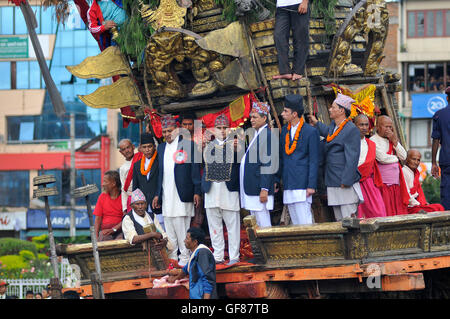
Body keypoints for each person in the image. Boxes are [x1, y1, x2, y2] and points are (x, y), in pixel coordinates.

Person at [152, 115, 202, 267]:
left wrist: (196, 191)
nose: (167, 134)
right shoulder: (161, 148)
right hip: (166, 195)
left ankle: (185, 259)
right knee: (170, 228)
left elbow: (195, 170)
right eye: (164, 131)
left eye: (169, 131)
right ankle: (173, 259)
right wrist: (157, 194)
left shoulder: (188, 145)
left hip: (183, 193)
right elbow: (160, 173)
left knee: (182, 229)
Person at [308, 93, 363, 221]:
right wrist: (316, 123)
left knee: (349, 220)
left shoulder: (351, 129)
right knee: (339, 221)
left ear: (342, 110)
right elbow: (329, 133)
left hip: (344, 181)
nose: (330, 109)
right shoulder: (333, 126)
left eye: (333, 107)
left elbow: (352, 157)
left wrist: (347, 180)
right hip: (332, 178)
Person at [202, 114, 241, 265]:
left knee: (232, 226)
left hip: (228, 190)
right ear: (213, 130)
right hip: (211, 191)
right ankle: (218, 256)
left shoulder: (236, 145)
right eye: (219, 128)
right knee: (214, 226)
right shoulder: (207, 146)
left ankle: (234, 256)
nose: (222, 131)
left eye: (225, 128)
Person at [279, 94, 319, 225]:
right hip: (289, 182)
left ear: (294, 114)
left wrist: (311, 185)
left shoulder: (310, 131)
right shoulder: (285, 130)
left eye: (286, 111)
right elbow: (282, 157)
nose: (282, 113)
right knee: (295, 224)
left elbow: (314, 160)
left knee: (305, 222)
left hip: (303, 184)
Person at [240, 102, 276, 227]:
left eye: (255, 117)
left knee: (263, 223)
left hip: (259, 189)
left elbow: (268, 164)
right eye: (251, 117)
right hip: (252, 188)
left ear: (264, 118)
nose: (251, 120)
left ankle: (268, 247)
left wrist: (264, 189)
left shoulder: (267, 135)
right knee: (256, 224)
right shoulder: (257, 134)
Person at [370, 115, 409, 216]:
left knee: (397, 211)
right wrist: (396, 159)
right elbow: (382, 158)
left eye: (390, 127)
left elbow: (404, 156)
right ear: (377, 127)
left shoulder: (391, 139)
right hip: (383, 185)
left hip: (396, 184)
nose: (389, 129)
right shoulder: (373, 140)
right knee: (387, 211)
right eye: (386, 126)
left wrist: (395, 142)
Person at [167, 227, 217, 299]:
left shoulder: (202, 253)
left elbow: (207, 278)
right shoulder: (196, 253)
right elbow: (185, 269)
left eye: (187, 238)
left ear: (195, 242)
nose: (184, 241)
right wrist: (175, 279)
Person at [354, 114, 387, 218]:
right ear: (354, 125)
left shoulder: (371, 144)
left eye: (366, 125)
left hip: (369, 182)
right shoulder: (348, 143)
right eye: (361, 125)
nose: (364, 128)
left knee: (378, 212)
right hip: (354, 182)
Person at [122, 189, 174, 254]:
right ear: (132, 206)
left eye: (142, 204)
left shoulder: (151, 216)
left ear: (146, 204)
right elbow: (133, 239)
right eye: (137, 204)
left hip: (154, 252)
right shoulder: (128, 218)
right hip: (136, 253)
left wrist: (165, 241)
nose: (140, 207)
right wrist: (152, 234)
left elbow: (162, 233)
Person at [131, 133, 163, 229]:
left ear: (154, 146)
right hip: (143, 207)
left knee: (162, 229)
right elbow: (135, 188)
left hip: (158, 204)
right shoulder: (137, 165)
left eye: (149, 146)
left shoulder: (160, 161)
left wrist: (159, 196)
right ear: (140, 148)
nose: (147, 149)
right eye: (144, 147)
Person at [273, 0, 310, 81]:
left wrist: (305, 2)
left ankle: (298, 71)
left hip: (299, 3)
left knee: (300, 37)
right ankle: (285, 71)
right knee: (278, 35)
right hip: (281, 6)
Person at [403, 149, 445, 214]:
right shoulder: (404, 172)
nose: (416, 162)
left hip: (417, 204)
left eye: (418, 160)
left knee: (439, 206)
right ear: (407, 159)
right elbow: (406, 195)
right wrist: (418, 204)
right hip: (410, 206)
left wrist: (423, 204)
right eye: (414, 159)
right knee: (437, 208)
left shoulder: (414, 172)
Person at [431, 86, 450, 210]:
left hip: (446, 159)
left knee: (447, 192)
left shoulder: (439, 115)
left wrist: (433, 163)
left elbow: (436, 140)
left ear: (447, 98)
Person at [94, 170, 124, 241]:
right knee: (103, 239)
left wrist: (113, 229)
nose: (102, 184)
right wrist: (95, 236)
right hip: (105, 232)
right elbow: (98, 219)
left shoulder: (124, 197)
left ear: (113, 183)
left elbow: (127, 218)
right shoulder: (102, 197)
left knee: (120, 241)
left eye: (105, 181)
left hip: (121, 230)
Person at [119, 139, 142, 214]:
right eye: (123, 149)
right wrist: (124, 208)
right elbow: (124, 189)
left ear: (133, 147)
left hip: (143, 199)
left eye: (128, 147)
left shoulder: (141, 158)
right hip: (131, 200)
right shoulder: (122, 168)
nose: (126, 151)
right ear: (121, 152)